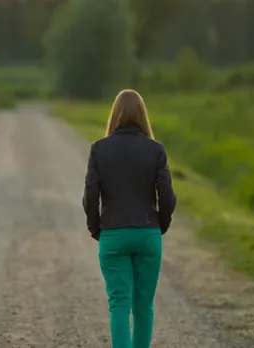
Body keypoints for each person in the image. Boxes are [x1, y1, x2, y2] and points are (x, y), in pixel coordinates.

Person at [82, 89, 177, 348]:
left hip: (112, 233)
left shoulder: (99, 149)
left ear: (114, 115)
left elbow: (91, 195)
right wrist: (160, 225)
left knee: (119, 304)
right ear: (143, 116)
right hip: (148, 233)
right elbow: (167, 195)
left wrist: (96, 229)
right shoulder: (156, 150)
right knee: (143, 305)